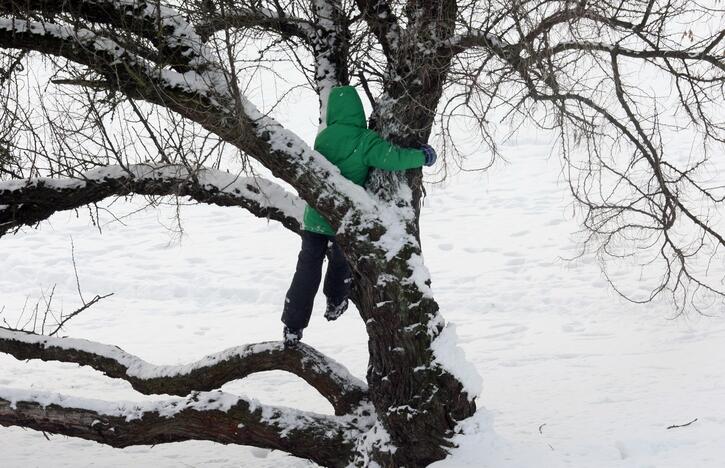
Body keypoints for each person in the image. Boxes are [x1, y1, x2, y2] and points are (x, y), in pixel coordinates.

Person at [282, 85, 437, 346]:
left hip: (314, 215)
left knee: (306, 269)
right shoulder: (364, 139)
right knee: (342, 259)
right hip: (341, 217)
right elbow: (393, 158)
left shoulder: (325, 137)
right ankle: (335, 300)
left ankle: (293, 326)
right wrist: (421, 157)